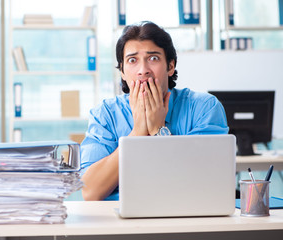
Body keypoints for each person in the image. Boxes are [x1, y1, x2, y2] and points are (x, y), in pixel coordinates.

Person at [80, 21, 228, 201]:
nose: (143, 70)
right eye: (132, 60)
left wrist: (158, 129)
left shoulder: (204, 108)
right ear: (123, 73)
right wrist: (137, 134)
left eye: (153, 58)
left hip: (186, 216)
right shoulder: (106, 114)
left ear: (170, 67)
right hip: (119, 222)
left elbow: (206, 183)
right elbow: (90, 192)